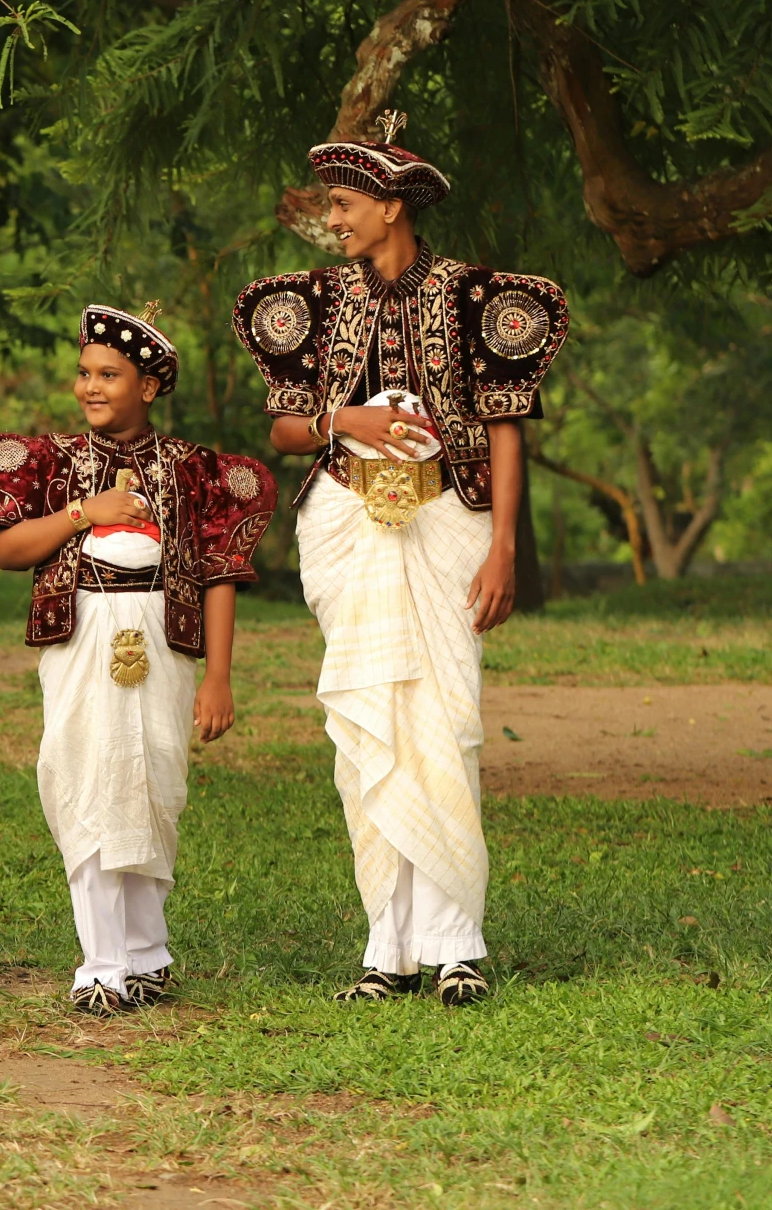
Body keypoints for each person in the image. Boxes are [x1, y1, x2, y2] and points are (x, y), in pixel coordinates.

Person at [233, 113, 567, 1009]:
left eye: (344, 205)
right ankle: (388, 947)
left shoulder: (468, 299)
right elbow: (283, 429)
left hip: (447, 526)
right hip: (350, 521)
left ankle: (456, 944)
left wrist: (502, 547)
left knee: (445, 726)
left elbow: (503, 427)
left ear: (390, 204)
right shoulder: (315, 302)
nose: (334, 220)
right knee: (368, 729)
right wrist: (355, 422)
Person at [0, 304, 275, 1016]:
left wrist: (220, 676)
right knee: (87, 776)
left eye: (109, 374)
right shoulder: (49, 463)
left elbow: (218, 572)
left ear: (151, 386)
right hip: (83, 635)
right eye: (84, 373)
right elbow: (11, 550)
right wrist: (87, 513)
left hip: (162, 638)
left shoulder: (193, 471)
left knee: (153, 783)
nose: (91, 387)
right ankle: (101, 964)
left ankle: (146, 951)